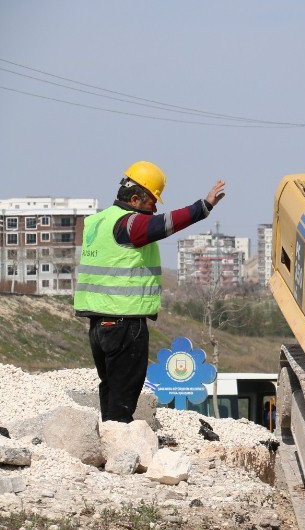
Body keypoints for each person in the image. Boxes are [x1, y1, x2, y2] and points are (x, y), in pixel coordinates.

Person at [73, 161, 226, 423]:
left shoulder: (96, 222)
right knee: (124, 393)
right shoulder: (128, 224)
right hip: (123, 322)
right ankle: (119, 445)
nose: (155, 209)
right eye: (151, 202)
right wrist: (204, 207)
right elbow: (165, 224)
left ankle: (109, 438)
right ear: (134, 199)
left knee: (110, 387)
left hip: (99, 324)